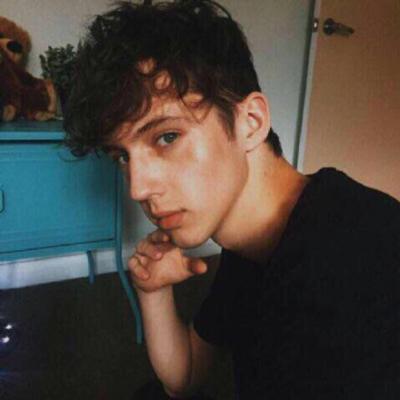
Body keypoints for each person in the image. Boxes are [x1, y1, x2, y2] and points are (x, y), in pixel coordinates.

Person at [63, 1, 400, 398]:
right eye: (122, 156)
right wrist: (153, 292)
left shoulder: (356, 261)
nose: (138, 188)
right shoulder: (250, 240)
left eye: (167, 137)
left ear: (250, 123)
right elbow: (184, 376)